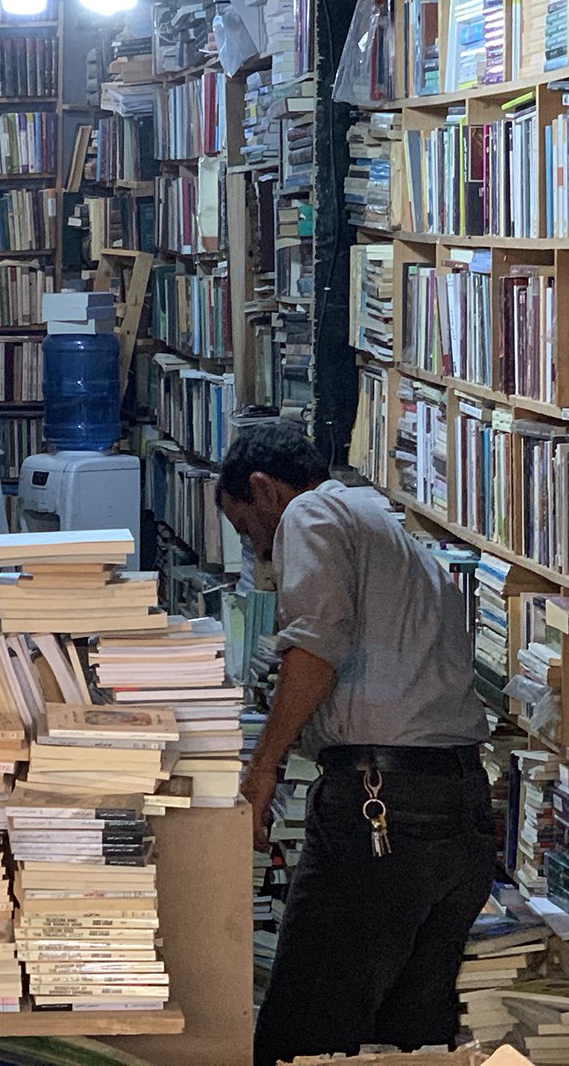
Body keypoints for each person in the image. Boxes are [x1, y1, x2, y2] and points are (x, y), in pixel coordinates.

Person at [217, 420, 493, 1066]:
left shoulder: (308, 515)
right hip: (461, 813)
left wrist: (262, 771)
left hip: (381, 811)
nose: (258, 552)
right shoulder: (386, 528)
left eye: (246, 529)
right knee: (412, 1040)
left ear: (265, 490)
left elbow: (316, 647)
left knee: (302, 1035)